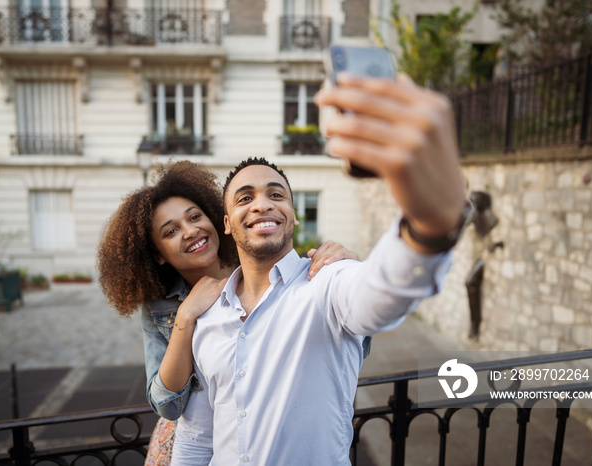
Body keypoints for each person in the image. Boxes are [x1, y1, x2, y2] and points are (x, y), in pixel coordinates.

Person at [171, 73, 468, 465]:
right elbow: (197, 437)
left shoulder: (327, 282)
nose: (262, 205)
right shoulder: (208, 317)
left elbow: (381, 294)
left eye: (276, 195)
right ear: (227, 223)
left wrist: (429, 227)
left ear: (293, 217)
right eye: (245, 198)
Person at [96, 161, 359, 465]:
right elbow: (166, 403)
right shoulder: (161, 307)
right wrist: (186, 317)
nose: (191, 231)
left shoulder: (254, 261)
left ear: (218, 221)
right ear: (158, 254)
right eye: (171, 231)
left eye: (195, 217)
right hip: (196, 437)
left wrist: (344, 265)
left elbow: (351, 333)